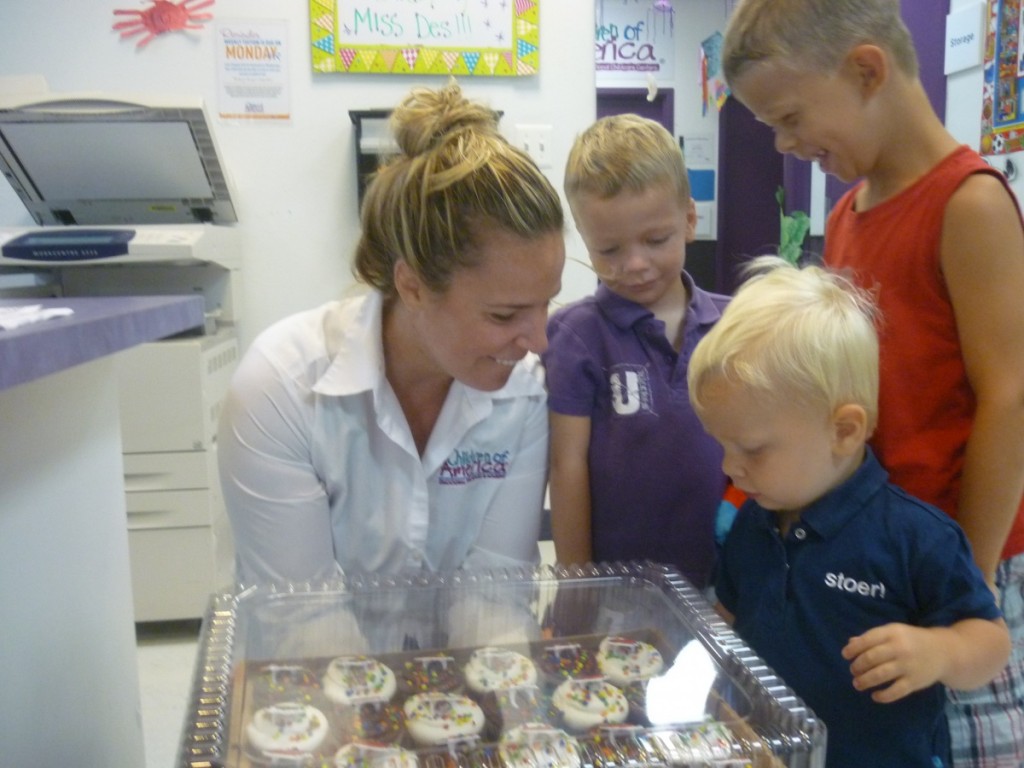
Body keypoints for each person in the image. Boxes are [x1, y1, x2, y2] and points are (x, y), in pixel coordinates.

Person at [721, 3, 1024, 763]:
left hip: (956, 566)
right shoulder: (851, 211)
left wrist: (971, 587)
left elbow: (1012, 399)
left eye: (790, 117)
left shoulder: (971, 202)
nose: (787, 144)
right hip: (871, 557)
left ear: (865, 70)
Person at [217, 81, 566, 589]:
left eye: (546, 303)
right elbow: (299, 621)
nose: (538, 341)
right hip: (306, 659)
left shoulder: (525, 392)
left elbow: (494, 596)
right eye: (503, 315)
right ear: (413, 285)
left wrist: (484, 659)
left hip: (452, 663)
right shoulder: (281, 389)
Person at [688, 257, 1010, 768]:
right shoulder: (750, 524)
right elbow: (726, 622)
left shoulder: (917, 538)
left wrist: (939, 652)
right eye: (722, 446)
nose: (731, 468)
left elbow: (991, 643)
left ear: (843, 431)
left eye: (751, 449)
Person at [541, 114, 729, 589]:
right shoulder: (576, 335)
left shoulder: (737, 326)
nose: (636, 264)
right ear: (584, 240)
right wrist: (578, 584)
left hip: (728, 583)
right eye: (609, 249)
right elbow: (566, 468)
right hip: (617, 587)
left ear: (689, 220)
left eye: (655, 240)